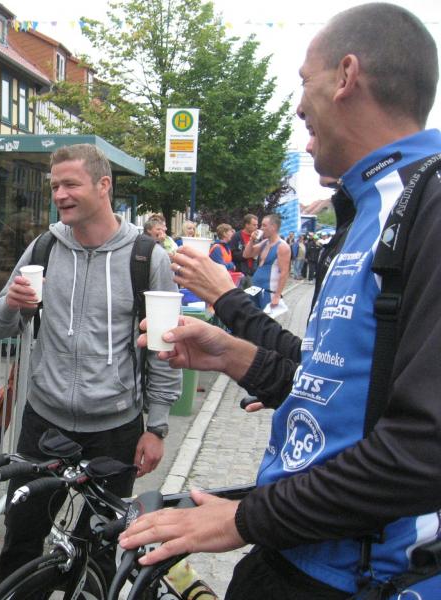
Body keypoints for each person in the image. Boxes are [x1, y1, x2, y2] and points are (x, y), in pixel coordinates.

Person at [120, 5, 441, 598]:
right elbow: (334, 387)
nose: (297, 107)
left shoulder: (428, 205)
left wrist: (244, 519)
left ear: (346, 76)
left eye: (303, 80)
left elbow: (424, 449)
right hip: (292, 556)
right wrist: (230, 353)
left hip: (363, 579)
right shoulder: (364, 211)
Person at [0, 143, 181, 581]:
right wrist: (12, 304)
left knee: (100, 548)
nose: (60, 194)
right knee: (21, 540)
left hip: (115, 427)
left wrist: (157, 427)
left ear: (103, 185)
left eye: (70, 184)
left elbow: (165, 347)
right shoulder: (43, 248)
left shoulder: (146, 257)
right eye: (55, 186)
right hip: (45, 421)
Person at [244, 213, 290, 308]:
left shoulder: (282, 246)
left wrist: (277, 295)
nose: (261, 228)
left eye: (264, 225)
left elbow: (284, 272)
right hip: (256, 288)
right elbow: (246, 255)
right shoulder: (265, 242)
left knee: (265, 317)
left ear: (273, 227)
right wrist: (252, 240)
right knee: (253, 316)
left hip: (269, 291)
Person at [229, 213, 258, 280]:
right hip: (241, 273)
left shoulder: (258, 237)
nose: (257, 227)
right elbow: (233, 255)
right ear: (247, 225)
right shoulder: (236, 236)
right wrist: (248, 254)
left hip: (254, 272)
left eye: (257, 224)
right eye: (254, 225)